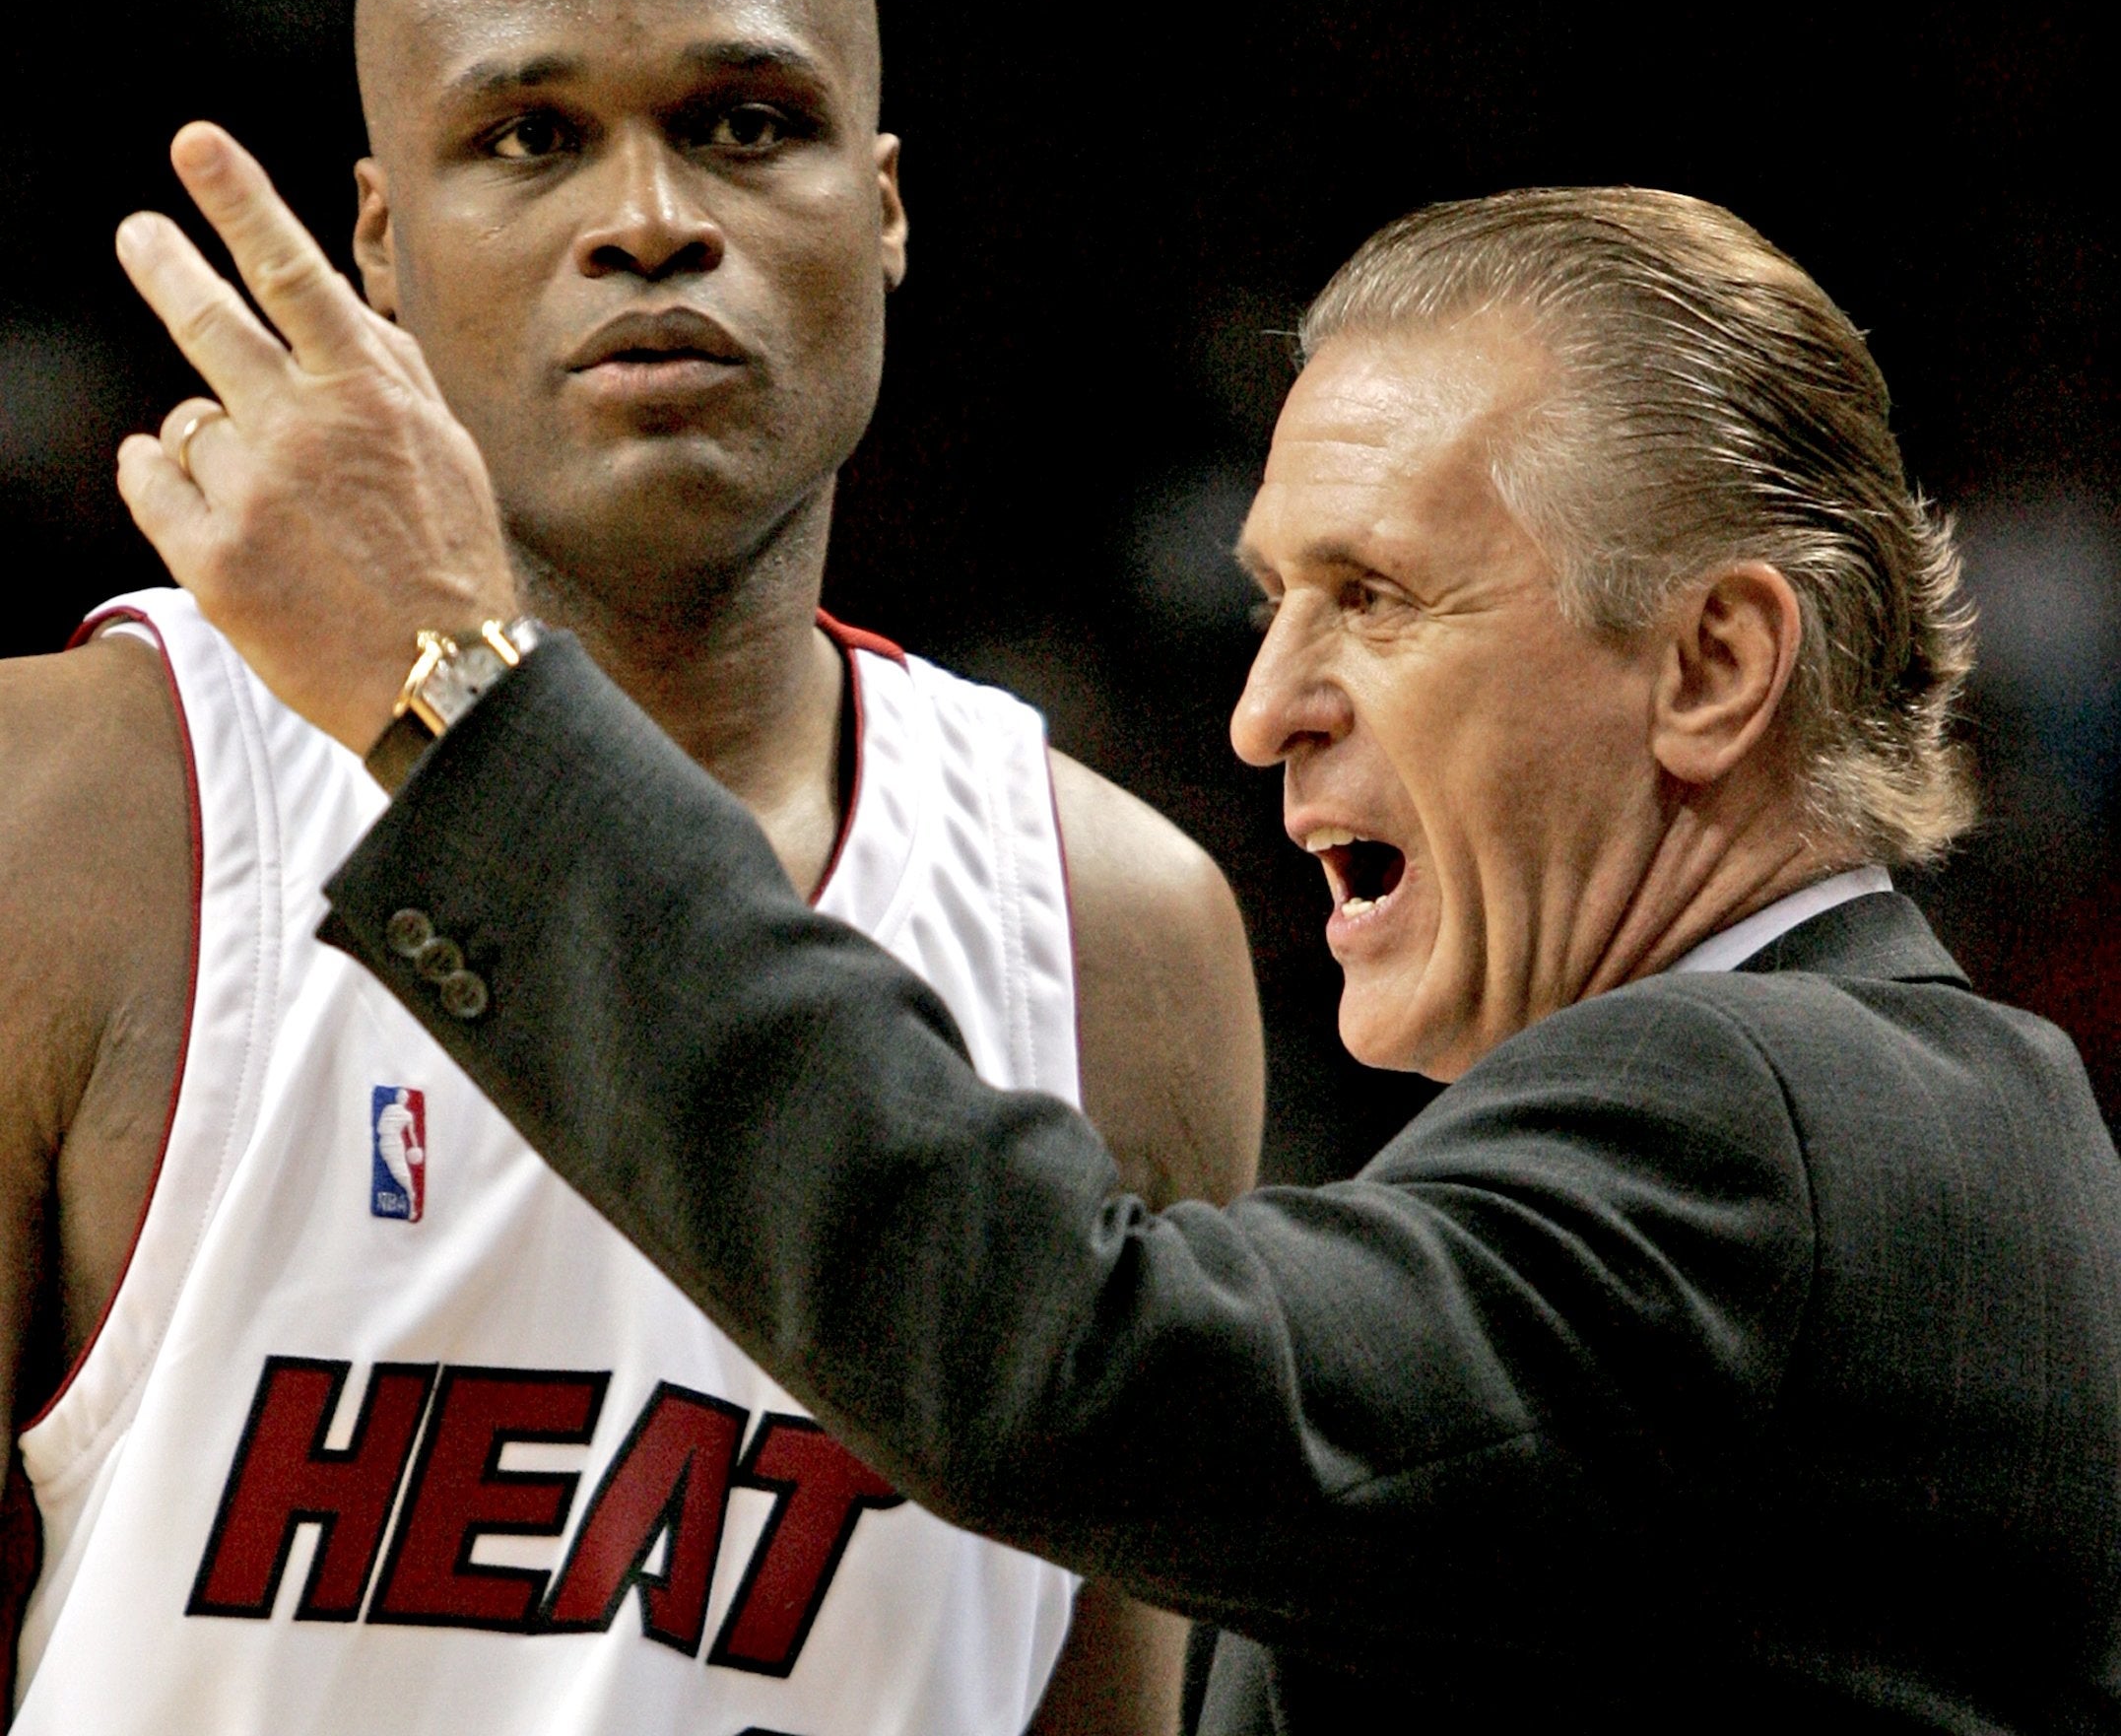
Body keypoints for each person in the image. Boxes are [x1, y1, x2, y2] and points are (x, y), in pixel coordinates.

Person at [116, 153, 2121, 1731]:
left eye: (1373, 595)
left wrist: (467, 714)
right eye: (1271, 601)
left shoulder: (1759, 1120)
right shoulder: (1929, 1127)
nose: (1265, 709)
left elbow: (1080, 1359)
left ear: (1712, 665)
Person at [0, 0, 1265, 1734]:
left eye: (746, 123)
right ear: (379, 243)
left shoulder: (1122, 935)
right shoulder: (77, 809)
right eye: (531, 137)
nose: (652, 216)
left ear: (886, 206)